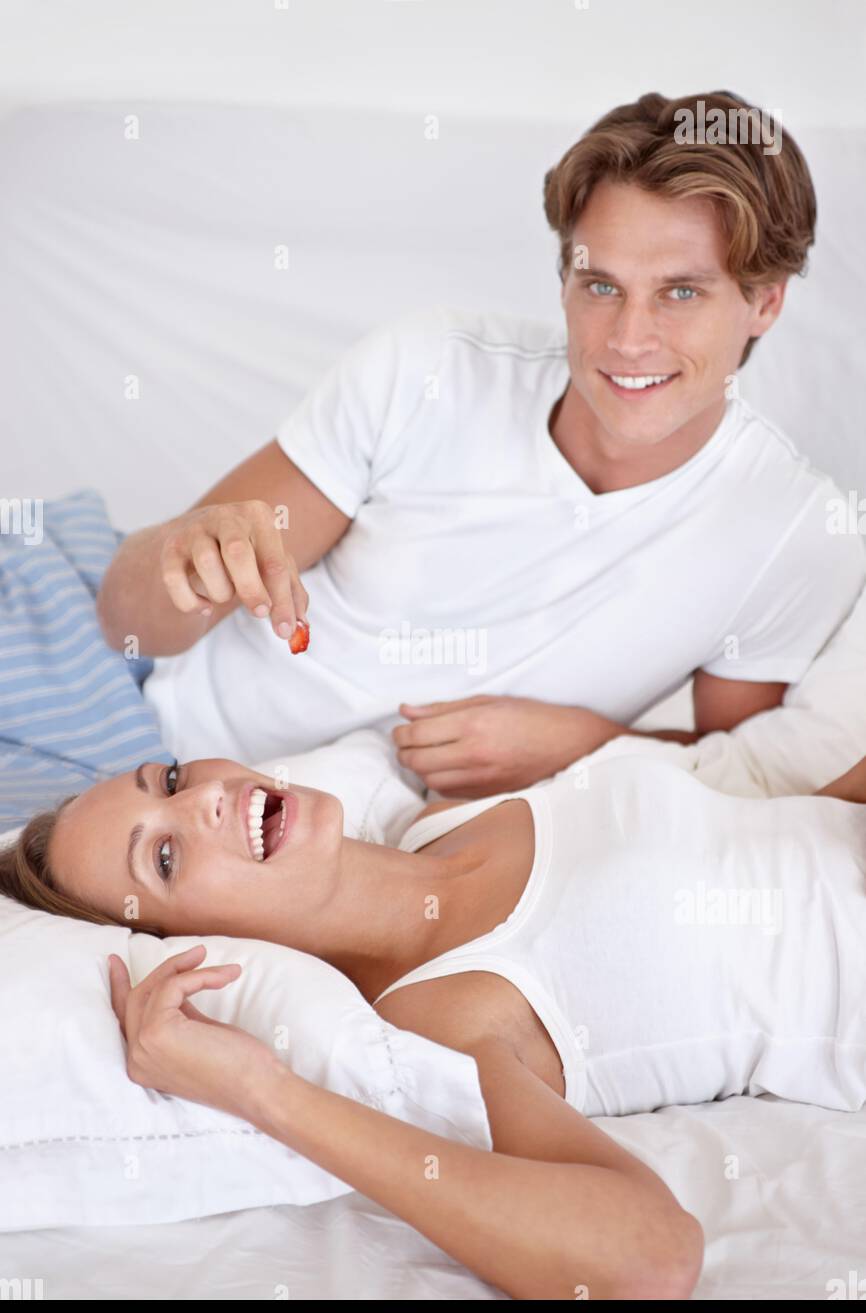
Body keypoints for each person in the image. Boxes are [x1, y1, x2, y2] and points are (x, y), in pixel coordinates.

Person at [96, 90, 864, 793]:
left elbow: (720, 788)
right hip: (136, 728)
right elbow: (126, 618)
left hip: (307, 843)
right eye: (600, 286)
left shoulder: (794, 533)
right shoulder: (429, 369)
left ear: (765, 302)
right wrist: (185, 558)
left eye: (681, 292)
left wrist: (587, 746)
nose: (629, 339)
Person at [3, 742, 866, 1299]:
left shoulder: (441, 818)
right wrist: (263, 1092)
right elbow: (652, 1262)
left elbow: (770, 830)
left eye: (171, 779)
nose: (202, 804)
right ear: (191, 941)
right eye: (164, 856)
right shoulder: (450, 1018)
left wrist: (571, 727)